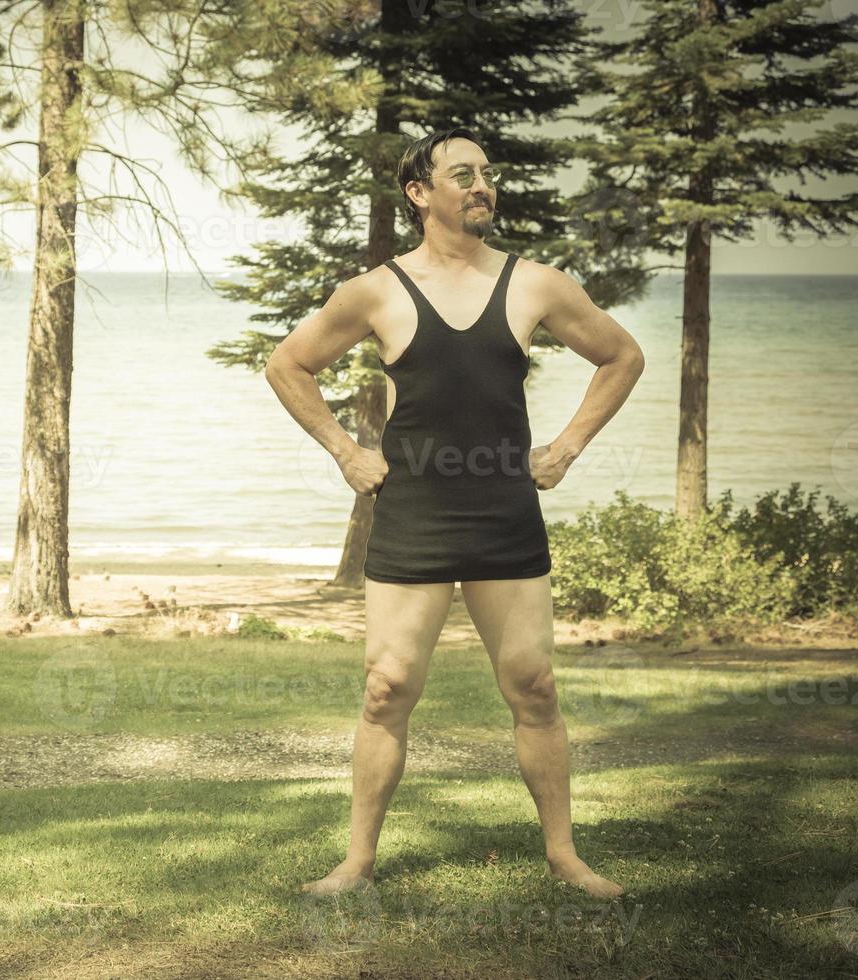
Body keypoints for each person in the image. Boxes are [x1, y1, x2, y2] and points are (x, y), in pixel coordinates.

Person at [264, 127, 645, 900]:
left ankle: (565, 858)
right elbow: (288, 363)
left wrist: (567, 446)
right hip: (414, 516)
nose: (482, 185)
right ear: (419, 193)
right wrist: (345, 450)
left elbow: (622, 355)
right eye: (463, 173)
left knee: (533, 685)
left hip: (505, 512)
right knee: (387, 685)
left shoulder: (535, 284)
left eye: (488, 174)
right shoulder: (376, 291)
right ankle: (357, 863)